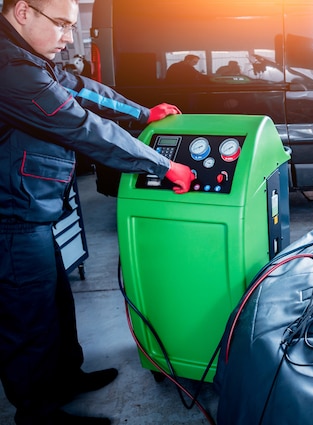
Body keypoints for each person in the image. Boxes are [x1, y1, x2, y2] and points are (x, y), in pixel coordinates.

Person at [0, 1, 196, 424]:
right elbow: (82, 125)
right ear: (22, 12)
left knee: (55, 302)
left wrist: (145, 114)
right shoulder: (10, 68)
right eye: (62, 25)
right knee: (28, 320)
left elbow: (85, 90)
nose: (69, 37)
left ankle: (66, 378)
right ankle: (37, 414)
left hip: (32, 211)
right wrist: (162, 164)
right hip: (10, 220)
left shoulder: (30, 60)